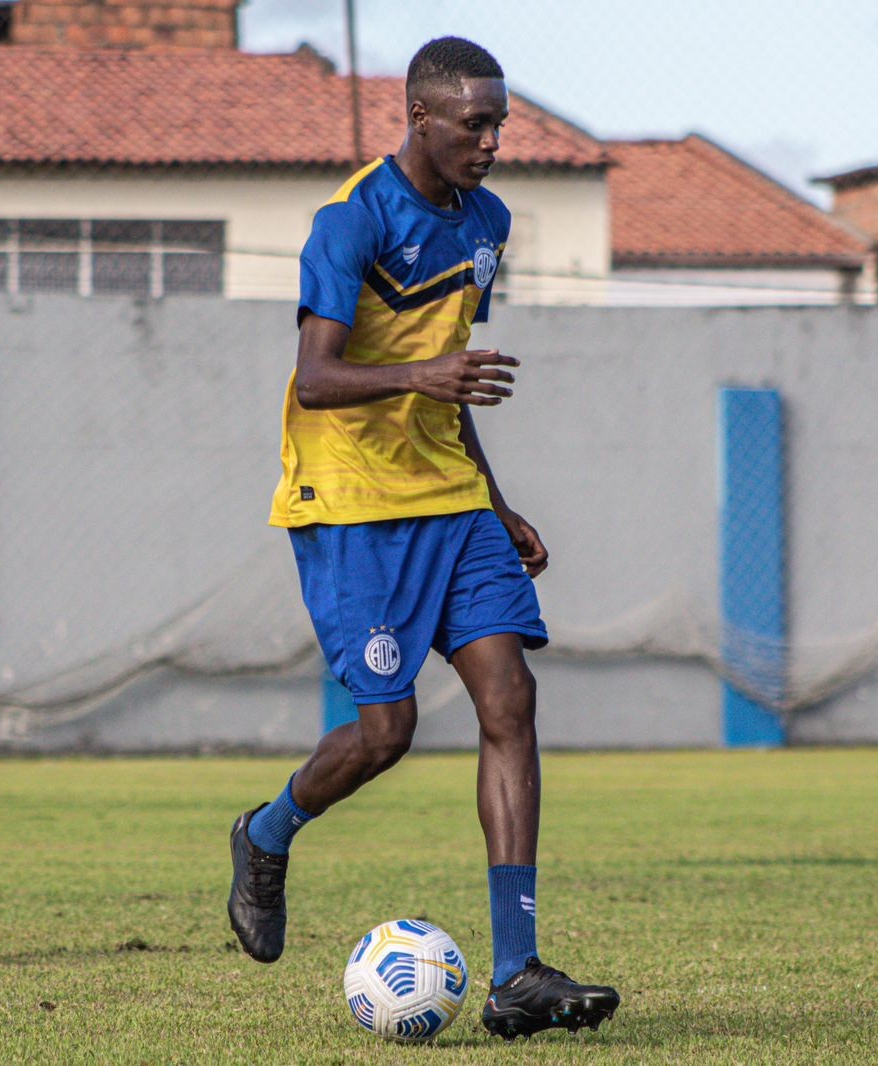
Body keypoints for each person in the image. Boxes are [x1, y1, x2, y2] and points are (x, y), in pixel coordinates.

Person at [226, 36, 618, 1039]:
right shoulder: (347, 221)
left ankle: (516, 970)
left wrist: (496, 500)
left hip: (448, 498)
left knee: (509, 696)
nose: (490, 141)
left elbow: (446, 377)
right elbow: (317, 377)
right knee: (385, 735)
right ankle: (268, 833)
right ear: (420, 117)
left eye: (499, 122)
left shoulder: (487, 221)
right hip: (351, 503)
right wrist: (423, 381)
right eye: (473, 123)